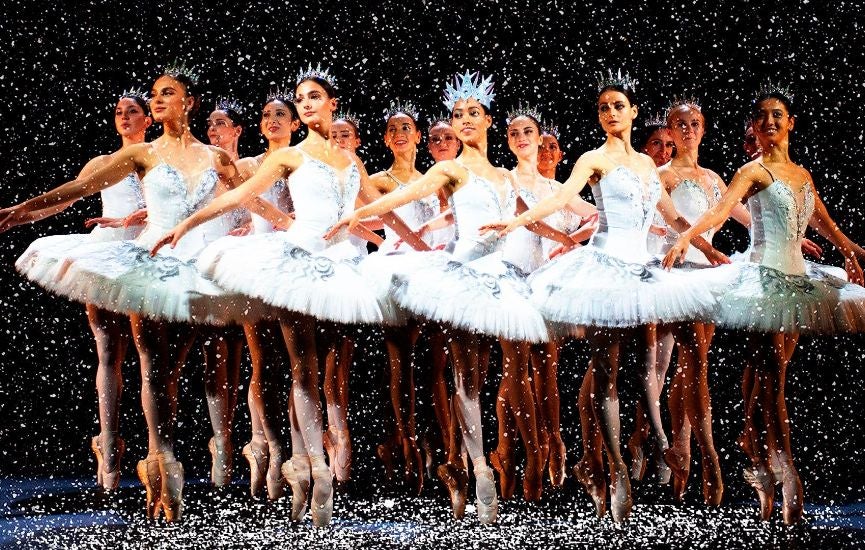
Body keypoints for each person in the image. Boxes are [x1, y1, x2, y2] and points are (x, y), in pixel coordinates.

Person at [2, 62, 284, 521]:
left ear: (188, 102)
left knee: (178, 368)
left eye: (167, 93)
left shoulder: (217, 158)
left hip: (199, 268)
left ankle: (188, 456)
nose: (158, 100)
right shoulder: (144, 154)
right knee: (154, 367)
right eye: (154, 93)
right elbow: (79, 187)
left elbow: (249, 200)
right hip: (152, 262)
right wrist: (24, 210)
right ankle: (163, 466)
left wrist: (296, 228)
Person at [151, 64, 416, 526]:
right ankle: (311, 466)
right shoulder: (288, 157)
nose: (308, 104)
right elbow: (240, 196)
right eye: (302, 99)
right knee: (301, 367)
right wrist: (186, 224)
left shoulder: (350, 161)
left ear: (333, 104)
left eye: (316, 97)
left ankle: (305, 461)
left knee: (324, 367)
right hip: (295, 262)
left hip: (341, 268)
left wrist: (413, 242)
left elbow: (378, 208)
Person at [482, 70, 729, 522]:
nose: (611, 113)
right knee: (608, 371)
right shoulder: (593, 158)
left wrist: (708, 249)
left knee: (642, 366)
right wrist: (515, 223)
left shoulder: (647, 167)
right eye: (603, 108)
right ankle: (616, 471)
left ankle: (658, 439)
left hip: (642, 273)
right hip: (603, 271)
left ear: (633, 112)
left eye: (618, 106)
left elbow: (673, 217)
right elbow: (562, 199)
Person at [328, 71, 551, 524]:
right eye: (457, 115)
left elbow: (534, 218)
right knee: (465, 378)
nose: (464, 120)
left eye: (473, 114)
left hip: (500, 279)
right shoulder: (450, 168)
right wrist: (357, 213)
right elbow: (407, 196)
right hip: (461, 275)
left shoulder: (508, 177)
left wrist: (571, 236)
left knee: (500, 373)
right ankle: (479, 470)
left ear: (489, 121)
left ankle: (488, 459)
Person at [662, 84, 865, 524]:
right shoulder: (749, 172)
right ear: (754, 126)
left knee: (772, 371)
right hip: (762, 279)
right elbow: (720, 213)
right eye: (762, 117)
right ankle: (784, 470)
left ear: (790, 122)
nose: (770, 122)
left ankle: (753, 445)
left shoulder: (802, 175)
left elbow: (825, 222)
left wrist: (852, 249)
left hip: (798, 281)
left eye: (778, 115)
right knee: (772, 375)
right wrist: (685, 235)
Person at [4, 90, 150, 491]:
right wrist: (20, 214)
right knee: (107, 349)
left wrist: (142, 215)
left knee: (146, 350)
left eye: (132, 111)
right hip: (104, 256)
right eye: (118, 111)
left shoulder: (158, 160)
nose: (123, 117)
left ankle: (156, 448)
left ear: (148, 119)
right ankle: (109, 442)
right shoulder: (102, 163)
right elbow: (70, 196)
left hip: (145, 254)